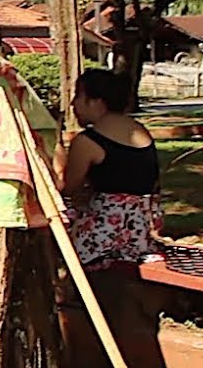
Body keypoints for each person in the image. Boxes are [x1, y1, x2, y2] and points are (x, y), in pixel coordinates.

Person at [57, 69, 162, 272]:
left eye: (78, 96)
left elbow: (67, 188)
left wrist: (57, 152)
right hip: (147, 225)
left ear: (97, 102)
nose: (73, 104)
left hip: (109, 230)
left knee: (59, 219)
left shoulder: (87, 141)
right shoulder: (139, 130)